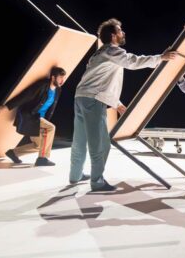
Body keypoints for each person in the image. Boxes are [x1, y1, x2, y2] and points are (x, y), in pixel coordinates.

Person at [69, 18, 177, 190]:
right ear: (113, 36)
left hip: (81, 97)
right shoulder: (112, 50)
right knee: (101, 144)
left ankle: (75, 175)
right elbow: (133, 62)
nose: (123, 32)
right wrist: (161, 58)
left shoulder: (100, 53)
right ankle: (97, 182)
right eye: (120, 30)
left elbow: (101, 80)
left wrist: (117, 103)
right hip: (93, 100)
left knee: (80, 140)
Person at [0, 67, 66, 166]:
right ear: (53, 77)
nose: (62, 80)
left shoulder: (58, 90)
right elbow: (24, 96)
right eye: (60, 78)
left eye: (64, 78)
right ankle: (42, 159)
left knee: (39, 145)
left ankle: (14, 153)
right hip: (30, 116)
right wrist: (6, 107)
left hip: (39, 120)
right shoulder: (42, 85)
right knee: (51, 128)